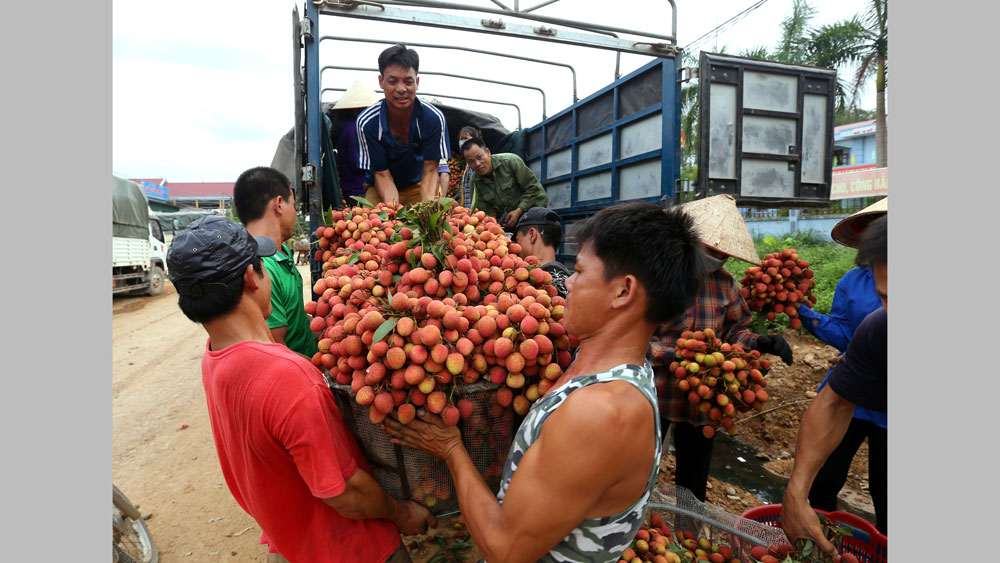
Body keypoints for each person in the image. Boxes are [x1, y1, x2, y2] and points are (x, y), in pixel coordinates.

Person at [383, 201, 709, 562]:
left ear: (623, 292)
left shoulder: (600, 412)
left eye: (580, 271)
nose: (567, 281)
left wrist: (451, 450)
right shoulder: (611, 369)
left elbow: (505, 549)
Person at [165, 216, 434, 563]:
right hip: (350, 549)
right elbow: (344, 494)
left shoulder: (214, 357)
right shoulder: (288, 377)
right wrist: (401, 513)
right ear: (251, 277)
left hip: (292, 543)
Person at [646, 194, 794, 503]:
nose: (718, 258)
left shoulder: (725, 284)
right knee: (638, 472)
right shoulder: (656, 277)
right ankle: (630, 534)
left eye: (722, 253)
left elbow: (736, 332)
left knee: (693, 484)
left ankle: (688, 540)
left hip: (704, 402)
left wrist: (760, 342)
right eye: (711, 250)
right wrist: (680, 354)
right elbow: (635, 337)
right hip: (655, 396)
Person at [781, 215, 887, 554]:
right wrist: (796, 491)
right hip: (859, 398)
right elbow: (833, 402)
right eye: (884, 297)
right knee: (825, 481)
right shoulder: (873, 318)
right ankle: (826, 545)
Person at [233, 167, 319, 359]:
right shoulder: (258, 267)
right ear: (279, 204)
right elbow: (276, 351)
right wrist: (322, 371)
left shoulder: (283, 253)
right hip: (299, 378)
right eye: (294, 206)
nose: (295, 214)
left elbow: (291, 317)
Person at [356, 44, 450, 206]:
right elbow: (382, 174)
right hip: (380, 185)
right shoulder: (368, 123)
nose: (401, 89)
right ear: (381, 81)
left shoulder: (433, 118)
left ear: (417, 82)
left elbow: (430, 169)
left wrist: (427, 212)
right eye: (392, 82)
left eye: (408, 82)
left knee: (431, 221)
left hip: (419, 184)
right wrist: (393, 211)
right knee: (372, 225)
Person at [461, 136, 549, 229]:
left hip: (535, 205)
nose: (477, 163)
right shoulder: (475, 182)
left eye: (480, 157)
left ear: (488, 152)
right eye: (471, 161)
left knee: (533, 236)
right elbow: (484, 213)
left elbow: (533, 188)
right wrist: (491, 229)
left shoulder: (511, 161)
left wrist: (519, 211)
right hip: (513, 212)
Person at [332, 80, 382, 205]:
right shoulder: (353, 128)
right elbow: (357, 161)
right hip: (360, 189)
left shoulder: (347, 127)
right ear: (357, 110)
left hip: (352, 187)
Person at [514, 207, 571, 298]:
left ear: (532, 235)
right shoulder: (567, 276)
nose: (516, 247)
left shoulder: (542, 284)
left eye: (517, 241)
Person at [447, 125, 480, 207]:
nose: (463, 141)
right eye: (461, 139)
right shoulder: (467, 165)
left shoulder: (477, 164)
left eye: (465, 138)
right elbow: (465, 190)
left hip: (475, 210)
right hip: (467, 210)